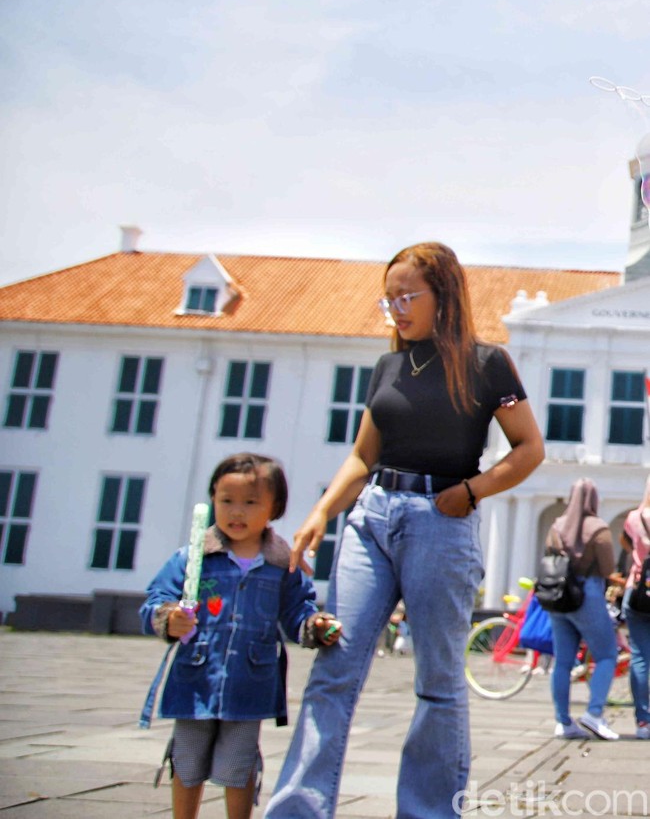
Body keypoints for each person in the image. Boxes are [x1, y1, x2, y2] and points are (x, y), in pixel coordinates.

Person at [264, 242, 545, 819]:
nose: (395, 308)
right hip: (371, 518)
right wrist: (321, 512)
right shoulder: (388, 367)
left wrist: (471, 491)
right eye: (387, 299)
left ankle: (429, 811)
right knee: (334, 668)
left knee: (437, 680)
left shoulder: (487, 363)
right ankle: (296, 810)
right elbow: (362, 456)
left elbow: (529, 449)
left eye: (406, 296)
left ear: (443, 295)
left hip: (440, 523)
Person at [139, 452, 342, 819]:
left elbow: (297, 611)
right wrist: (168, 618)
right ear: (212, 500)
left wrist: (315, 627)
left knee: (239, 764)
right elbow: (157, 599)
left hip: (249, 684)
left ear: (274, 508)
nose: (237, 512)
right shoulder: (193, 558)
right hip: (194, 681)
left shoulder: (282, 565)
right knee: (186, 760)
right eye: (226, 500)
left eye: (250, 502)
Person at [546, 478, 622, 741]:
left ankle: (563, 721)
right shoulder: (598, 528)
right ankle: (594, 713)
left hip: (558, 596)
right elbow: (608, 568)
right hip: (587, 595)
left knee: (562, 661)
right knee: (607, 654)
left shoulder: (556, 526)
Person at [622, 473, 650, 740]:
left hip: (638, 590)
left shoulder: (634, 518)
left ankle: (643, 721)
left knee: (640, 657)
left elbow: (625, 543)